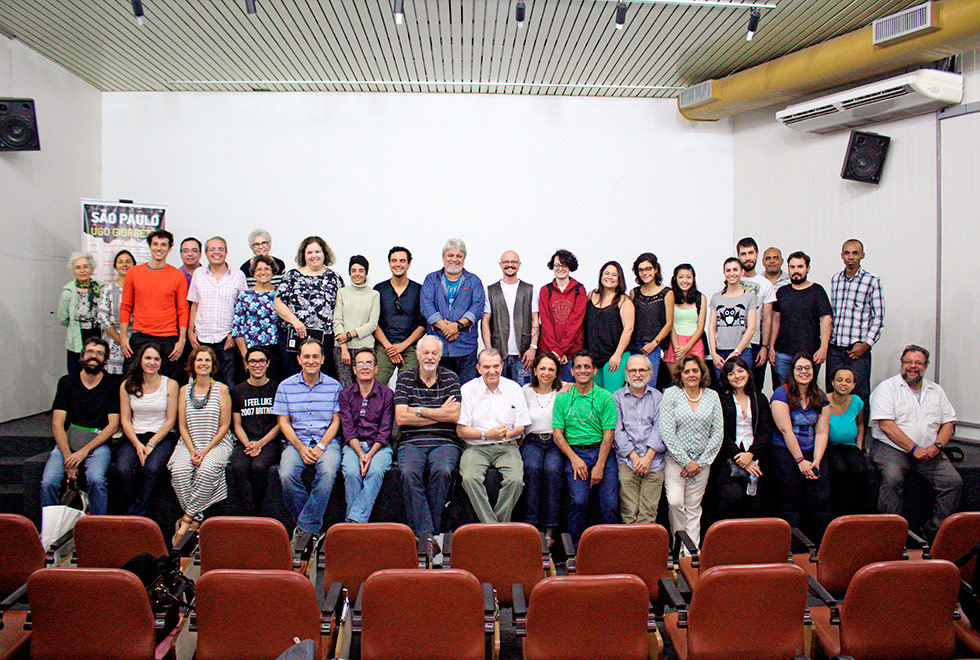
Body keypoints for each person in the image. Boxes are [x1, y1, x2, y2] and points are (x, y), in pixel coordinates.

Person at [869, 345, 961, 539]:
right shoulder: (887, 388)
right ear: (901, 364)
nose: (913, 366)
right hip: (892, 448)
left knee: (953, 482)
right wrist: (914, 448)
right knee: (892, 479)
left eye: (918, 363)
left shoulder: (936, 390)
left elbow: (948, 423)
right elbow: (886, 425)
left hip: (929, 451)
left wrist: (937, 447)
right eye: (908, 362)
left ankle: (934, 533)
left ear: (925, 366)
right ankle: (890, 536)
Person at [393, 335, 462, 544]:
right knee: (408, 472)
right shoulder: (404, 377)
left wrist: (419, 411)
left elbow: (454, 417)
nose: (429, 357)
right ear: (417, 355)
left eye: (434, 353)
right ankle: (430, 535)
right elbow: (401, 417)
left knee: (442, 471)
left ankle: (424, 537)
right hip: (411, 442)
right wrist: (437, 412)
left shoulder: (451, 378)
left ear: (440, 356)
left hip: (445, 441)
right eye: (426, 353)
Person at [273, 339, 343, 541]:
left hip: (327, 442)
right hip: (297, 442)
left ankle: (304, 529)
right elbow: (284, 423)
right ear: (299, 359)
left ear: (322, 359)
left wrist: (321, 446)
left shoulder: (334, 386)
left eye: (315, 356)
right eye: (306, 356)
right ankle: (311, 527)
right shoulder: (285, 386)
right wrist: (300, 447)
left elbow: (336, 421)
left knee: (328, 472)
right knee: (286, 474)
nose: (310, 361)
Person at [41, 337, 118, 516]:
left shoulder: (112, 384)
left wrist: (83, 452)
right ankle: (50, 531)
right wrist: (69, 457)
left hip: (97, 443)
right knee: (49, 482)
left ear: (105, 359)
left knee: (96, 480)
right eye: (90, 352)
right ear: (82, 356)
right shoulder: (67, 382)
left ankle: (97, 527)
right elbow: (57, 424)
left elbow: (113, 425)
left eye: (99, 353)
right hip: (70, 440)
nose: (94, 356)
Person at [551, 350, 618, 545]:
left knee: (609, 505)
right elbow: (557, 434)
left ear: (595, 371)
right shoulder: (563, 397)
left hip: (601, 452)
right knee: (578, 501)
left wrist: (599, 466)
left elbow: (608, 436)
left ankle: (610, 548)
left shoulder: (605, 397)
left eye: (587, 366)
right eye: (578, 367)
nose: (583, 370)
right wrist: (574, 459)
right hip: (575, 452)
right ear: (571, 371)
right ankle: (576, 551)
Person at [457, 348, 530, 523]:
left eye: (496, 366)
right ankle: (493, 526)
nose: (492, 371)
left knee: (515, 481)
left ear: (502, 366)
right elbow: (461, 430)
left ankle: (494, 527)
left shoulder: (513, 388)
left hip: (507, 446)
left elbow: (521, 425)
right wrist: (486, 435)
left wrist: (509, 433)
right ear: (478, 368)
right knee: (469, 478)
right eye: (487, 367)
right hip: (476, 447)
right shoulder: (468, 390)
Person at [170, 345, 234, 543]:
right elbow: (181, 425)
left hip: (217, 443)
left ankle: (187, 519)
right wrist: (192, 450)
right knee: (179, 471)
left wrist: (205, 450)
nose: (203, 364)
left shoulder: (222, 389)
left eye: (207, 360)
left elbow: (225, 425)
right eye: (199, 360)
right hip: (189, 443)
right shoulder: (184, 391)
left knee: (207, 471)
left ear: (213, 365)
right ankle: (197, 519)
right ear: (193, 364)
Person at [659, 355, 723, 549]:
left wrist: (700, 463)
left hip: (702, 464)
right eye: (687, 371)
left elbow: (718, 432)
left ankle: (692, 555)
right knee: (676, 503)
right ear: (680, 374)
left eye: (695, 370)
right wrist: (685, 461)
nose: (691, 375)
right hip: (675, 462)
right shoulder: (671, 394)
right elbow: (667, 431)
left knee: (694, 508)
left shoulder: (712, 396)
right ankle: (679, 546)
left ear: (702, 373)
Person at [769, 353, 831, 541]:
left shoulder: (820, 395)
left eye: (808, 368)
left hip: (812, 450)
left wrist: (816, 461)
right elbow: (786, 430)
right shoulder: (782, 393)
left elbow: (822, 432)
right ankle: (793, 547)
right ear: (792, 371)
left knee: (820, 497)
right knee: (791, 498)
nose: (804, 372)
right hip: (785, 451)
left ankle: (817, 545)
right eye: (799, 368)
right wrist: (800, 461)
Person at [116, 343, 179, 516]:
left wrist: (151, 444)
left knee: (151, 468)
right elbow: (125, 419)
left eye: (156, 359)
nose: (152, 362)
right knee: (123, 469)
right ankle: (134, 508)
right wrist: (137, 445)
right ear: (140, 360)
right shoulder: (126, 385)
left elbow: (170, 420)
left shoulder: (171, 385)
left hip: (161, 436)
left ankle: (138, 515)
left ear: (161, 362)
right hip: (134, 436)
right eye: (148, 358)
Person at [119, 229, 189, 379]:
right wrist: (123, 336)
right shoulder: (134, 273)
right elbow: (126, 306)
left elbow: (183, 310)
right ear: (150, 246)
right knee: (129, 381)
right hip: (140, 336)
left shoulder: (177, 275)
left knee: (172, 382)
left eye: (163, 245)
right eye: (155, 244)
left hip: (168, 339)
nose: (159, 248)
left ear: (170, 249)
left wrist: (182, 339)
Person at [709, 356, 771, 523]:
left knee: (756, 503)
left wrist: (750, 455)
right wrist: (740, 458)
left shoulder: (760, 398)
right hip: (728, 458)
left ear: (748, 373)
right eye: (731, 373)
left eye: (740, 371)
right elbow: (719, 432)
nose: (737, 376)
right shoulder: (720, 399)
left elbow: (765, 431)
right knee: (732, 497)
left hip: (756, 457)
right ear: (726, 378)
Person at [827, 239, 884, 418]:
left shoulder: (872, 281)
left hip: (857, 350)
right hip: (835, 348)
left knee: (859, 394)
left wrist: (866, 344)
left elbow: (879, 318)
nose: (851, 257)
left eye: (855, 253)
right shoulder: (836, 279)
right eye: (847, 253)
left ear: (862, 255)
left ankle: (859, 443)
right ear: (842, 255)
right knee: (832, 392)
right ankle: (831, 437)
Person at [274, 236, 345, 379]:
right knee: (293, 378)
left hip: (325, 340)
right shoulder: (292, 276)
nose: (314, 256)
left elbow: (341, 309)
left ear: (324, 254)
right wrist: (295, 322)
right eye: (309, 252)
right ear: (303, 255)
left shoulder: (334, 278)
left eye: (317, 252)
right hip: (294, 339)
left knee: (323, 379)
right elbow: (278, 303)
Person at [339, 348, 395, 523]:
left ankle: (354, 523)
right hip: (353, 445)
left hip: (379, 447)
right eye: (360, 363)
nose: (365, 367)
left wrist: (369, 455)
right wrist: (360, 454)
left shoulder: (387, 394)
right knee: (351, 473)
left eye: (369, 363)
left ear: (376, 369)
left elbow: (385, 430)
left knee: (376, 471)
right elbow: (348, 429)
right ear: (354, 369)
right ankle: (358, 524)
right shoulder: (345, 394)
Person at [420, 238, 484, 384]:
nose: (454, 259)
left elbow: (477, 306)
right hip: (438, 348)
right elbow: (426, 306)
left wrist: (457, 326)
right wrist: (445, 327)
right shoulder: (431, 279)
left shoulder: (474, 281)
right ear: (443, 257)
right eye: (450, 255)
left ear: (464, 258)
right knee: (440, 391)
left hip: (466, 348)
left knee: (467, 392)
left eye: (459, 256)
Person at [187, 236, 247, 386]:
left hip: (226, 341)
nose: (216, 252)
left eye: (220, 249)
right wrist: (190, 331)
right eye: (212, 249)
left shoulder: (238, 276)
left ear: (226, 252)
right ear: (206, 253)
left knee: (228, 384)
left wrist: (235, 333)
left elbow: (243, 309)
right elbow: (194, 304)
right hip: (201, 338)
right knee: (200, 384)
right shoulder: (198, 274)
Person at [229, 346, 282, 516]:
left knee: (259, 467)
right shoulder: (237, 391)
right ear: (246, 365)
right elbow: (237, 424)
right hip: (245, 440)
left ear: (267, 364)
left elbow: (281, 424)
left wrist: (260, 443)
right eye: (252, 361)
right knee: (238, 467)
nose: (257, 365)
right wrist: (248, 444)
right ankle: (248, 512)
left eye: (261, 361)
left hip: (269, 441)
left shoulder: (277, 389)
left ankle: (255, 513)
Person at [613, 354, 666, 525]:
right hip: (627, 461)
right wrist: (636, 458)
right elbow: (617, 431)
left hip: (654, 462)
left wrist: (648, 458)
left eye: (642, 370)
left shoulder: (659, 398)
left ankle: (645, 551)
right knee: (629, 513)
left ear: (650, 373)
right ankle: (630, 551)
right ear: (626, 373)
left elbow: (660, 429)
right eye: (633, 370)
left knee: (648, 514)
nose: (637, 374)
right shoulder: (617, 398)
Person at [521, 351, 566, 545]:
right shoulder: (524, 391)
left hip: (556, 442)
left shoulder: (564, 389)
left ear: (557, 373)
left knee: (553, 470)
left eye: (551, 369)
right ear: (535, 371)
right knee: (531, 469)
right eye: (542, 369)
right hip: (532, 440)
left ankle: (551, 527)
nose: (546, 373)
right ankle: (531, 526)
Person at [769, 251, 832, 386]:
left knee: (807, 393)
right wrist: (771, 347)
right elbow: (775, 320)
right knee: (784, 392)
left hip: (810, 354)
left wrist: (824, 348)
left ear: (807, 268)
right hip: (783, 354)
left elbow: (825, 320)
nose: (795, 271)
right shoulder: (782, 292)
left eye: (800, 267)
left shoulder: (817, 291)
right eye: (792, 267)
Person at [481, 250, 539, 386]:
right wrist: (489, 351)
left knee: (523, 395)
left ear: (519, 265)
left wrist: (533, 348)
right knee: (497, 394)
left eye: (513, 262)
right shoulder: (490, 290)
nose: (510, 265)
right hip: (498, 354)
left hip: (523, 355)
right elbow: (485, 322)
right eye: (506, 262)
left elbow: (535, 319)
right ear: (500, 265)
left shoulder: (529, 289)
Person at [373, 246, 426, 387]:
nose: (398, 264)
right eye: (394, 260)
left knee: (409, 385)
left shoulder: (419, 290)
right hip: (385, 346)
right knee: (376, 385)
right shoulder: (379, 290)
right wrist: (389, 347)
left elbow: (423, 325)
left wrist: (402, 346)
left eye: (402, 261)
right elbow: (373, 322)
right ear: (389, 263)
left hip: (409, 346)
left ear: (409, 264)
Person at [735, 238, 778, 390]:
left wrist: (764, 346)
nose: (747, 257)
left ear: (757, 254)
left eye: (751, 253)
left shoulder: (765, 284)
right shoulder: (730, 280)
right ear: (738, 256)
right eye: (743, 254)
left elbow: (767, 318)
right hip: (732, 342)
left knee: (754, 386)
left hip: (755, 343)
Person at [585, 261, 635, 392]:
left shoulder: (624, 301)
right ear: (601, 276)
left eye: (614, 274)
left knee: (611, 397)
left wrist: (617, 355)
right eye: (607, 273)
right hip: (594, 356)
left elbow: (628, 329)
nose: (610, 277)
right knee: (596, 397)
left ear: (620, 279)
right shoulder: (591, 295)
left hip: (615, 356)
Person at [538, 249, 587, 382]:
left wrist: (561, 351)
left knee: (568, 393)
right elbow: (546, 322)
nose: (560, 268)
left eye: (564, 265)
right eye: (557, 265)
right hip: (548, 351)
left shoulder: (579, 290)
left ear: (570, 267)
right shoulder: (545, 290)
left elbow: (575, 324)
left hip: (571, 353)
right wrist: (555, 351)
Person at [231, 255, 283, 382]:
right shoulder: (245, 296)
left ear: (273, 272)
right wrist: (245, 356)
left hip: (275, 351)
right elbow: (238, 328)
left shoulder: (280, 294)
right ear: (253, 273)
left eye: (267, 269)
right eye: (258, 269)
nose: (263, 272)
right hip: (252, 350)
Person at [826, 366, 869, 516]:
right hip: (829, 446)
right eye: (839, 380)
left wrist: (859, 446)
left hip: (850, 445)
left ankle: (859, 514)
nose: (843, 384)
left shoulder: (857, 401)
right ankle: (839, 514)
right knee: (839, 469)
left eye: (848, 381)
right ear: (833, 382)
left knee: (861, 470)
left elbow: (860, 424)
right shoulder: (824, 400)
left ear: (853, 385)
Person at [333, 255, 380, 388]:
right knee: (346, 387)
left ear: (366, 272)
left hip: (365, 347)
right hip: (342, 349)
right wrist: (343, 346)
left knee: (365, 386)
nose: (357, 274)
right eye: (353, 270)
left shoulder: (374, 295)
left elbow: (372, 324)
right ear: (349, 272)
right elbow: (337, 320)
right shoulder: (342, 293)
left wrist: (349, 335)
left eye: (361, 270)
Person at [708, 258, 757, 379]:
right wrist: (713, 353)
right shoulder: (716, 297)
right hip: (720, 352)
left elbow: (751, 328)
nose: (732, 273)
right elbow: (711, 328)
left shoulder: (749, 297)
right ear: (724, 273)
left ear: (742, 272)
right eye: (728, 270)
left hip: (742, 352)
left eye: (735, 269)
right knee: (724, 389)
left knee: (743, 387)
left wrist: (737, 351)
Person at [629, 253, 673, 385]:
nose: (645, 273)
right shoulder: (633, 293)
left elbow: (669, 323)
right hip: (633, 346)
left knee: (649, 386)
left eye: (648, 269)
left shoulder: (667, 293)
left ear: (655, 269)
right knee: (633, 386)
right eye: (641, 270)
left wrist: (654, 343)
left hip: (653, 347)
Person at [58, 252, 102, 375]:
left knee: (97, 372)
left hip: (97, 334)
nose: (82, 271)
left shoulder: (101, 288)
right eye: (78, 267)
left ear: (92, 269)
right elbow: (63, 318)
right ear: (73, 270)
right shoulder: (68, 292)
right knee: (76, 374)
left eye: (85, 266)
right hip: (77, 337)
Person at [97, 249, 136, 375]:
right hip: (114, 341)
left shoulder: (140, 288)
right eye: (120, 262)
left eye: (128, 262)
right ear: (115, 266)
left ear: (134, 265)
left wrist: (130, 341)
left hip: (135, 341)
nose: (124, 265)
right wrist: (121, 340)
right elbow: (103, 317)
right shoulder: (107, 288)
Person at [664, 264, 706, 374]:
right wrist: (678, 348)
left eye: (688, 277)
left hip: (694, 342)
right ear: (675, 279)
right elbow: (670, 323)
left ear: (693, 278)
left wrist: (687, 347)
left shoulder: (700, 298)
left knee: (695, 380)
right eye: (681, 277)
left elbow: (700, 327)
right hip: (674, 344)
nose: (685, 280)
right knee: (677, 381)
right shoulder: (670, 296)